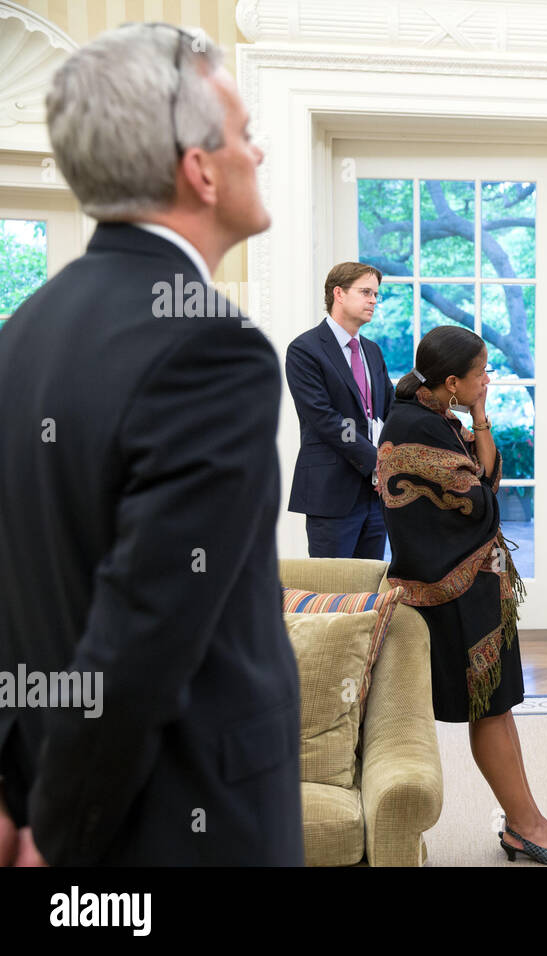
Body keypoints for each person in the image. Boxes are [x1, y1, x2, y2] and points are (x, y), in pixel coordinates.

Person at [0, 23, 302, 865]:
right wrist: (60, 834)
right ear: (199, 169)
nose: (258, 155)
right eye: (245, 135)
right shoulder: (210, 346)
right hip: (174, 820)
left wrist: (14, 792)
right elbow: (144, 635)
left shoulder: (19, 335)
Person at [378, 325, 547, 864]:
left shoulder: (439, 418)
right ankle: (526, 827)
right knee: (489, 710)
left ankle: (528, 823)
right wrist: (473, 442)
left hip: (474, 589)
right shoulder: (414, 428)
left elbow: (487, 481)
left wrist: (477, 416)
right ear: (452, 380)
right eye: (481, 373)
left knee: (496, 708)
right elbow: (483, 507)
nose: (488, 378)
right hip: (450, 597)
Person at [286, 262, 396, 559]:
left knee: (367, 590)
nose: (374, 300)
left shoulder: (372, 350)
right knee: (331, 592)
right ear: (339, 293)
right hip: (332, 492)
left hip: (375, 495)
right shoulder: (305, 349)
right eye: (365, 292)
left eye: (375, 293)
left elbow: (390, 408)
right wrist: (378, 462)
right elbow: (324, 418)